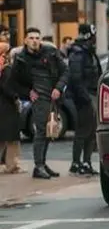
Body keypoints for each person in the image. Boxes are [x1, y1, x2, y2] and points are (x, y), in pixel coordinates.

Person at [5, 27, 67, 179]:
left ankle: (42, 164)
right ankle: (38, 166)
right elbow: (11, 83)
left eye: (37, 38)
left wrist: (58, 88)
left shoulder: (50, 52)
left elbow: (66, 71)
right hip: (39, 100)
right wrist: (27, 93)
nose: (34, 41)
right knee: (41, 132)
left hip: (53, 97)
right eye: (31, 38)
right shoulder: (20, 59)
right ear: (25, 40)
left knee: (49, 132)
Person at [66, 24, 102, 176]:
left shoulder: (89, 53)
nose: (95, 38)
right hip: (84, 97)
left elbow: (97, 72)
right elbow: (76, 78)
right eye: (93, 34)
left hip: (92, 94)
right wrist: (85, 97)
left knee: (92, 130)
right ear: (88, 35)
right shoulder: (78, 54)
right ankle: (76, 162)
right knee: (82, 130)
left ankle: (86, 161)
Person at [0, 43, 20, 173]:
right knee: (12, 138)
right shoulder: (6, 69)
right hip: (7, 106)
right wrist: (16, 97)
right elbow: (7, 87)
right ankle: (12, 165)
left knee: (1, 138)